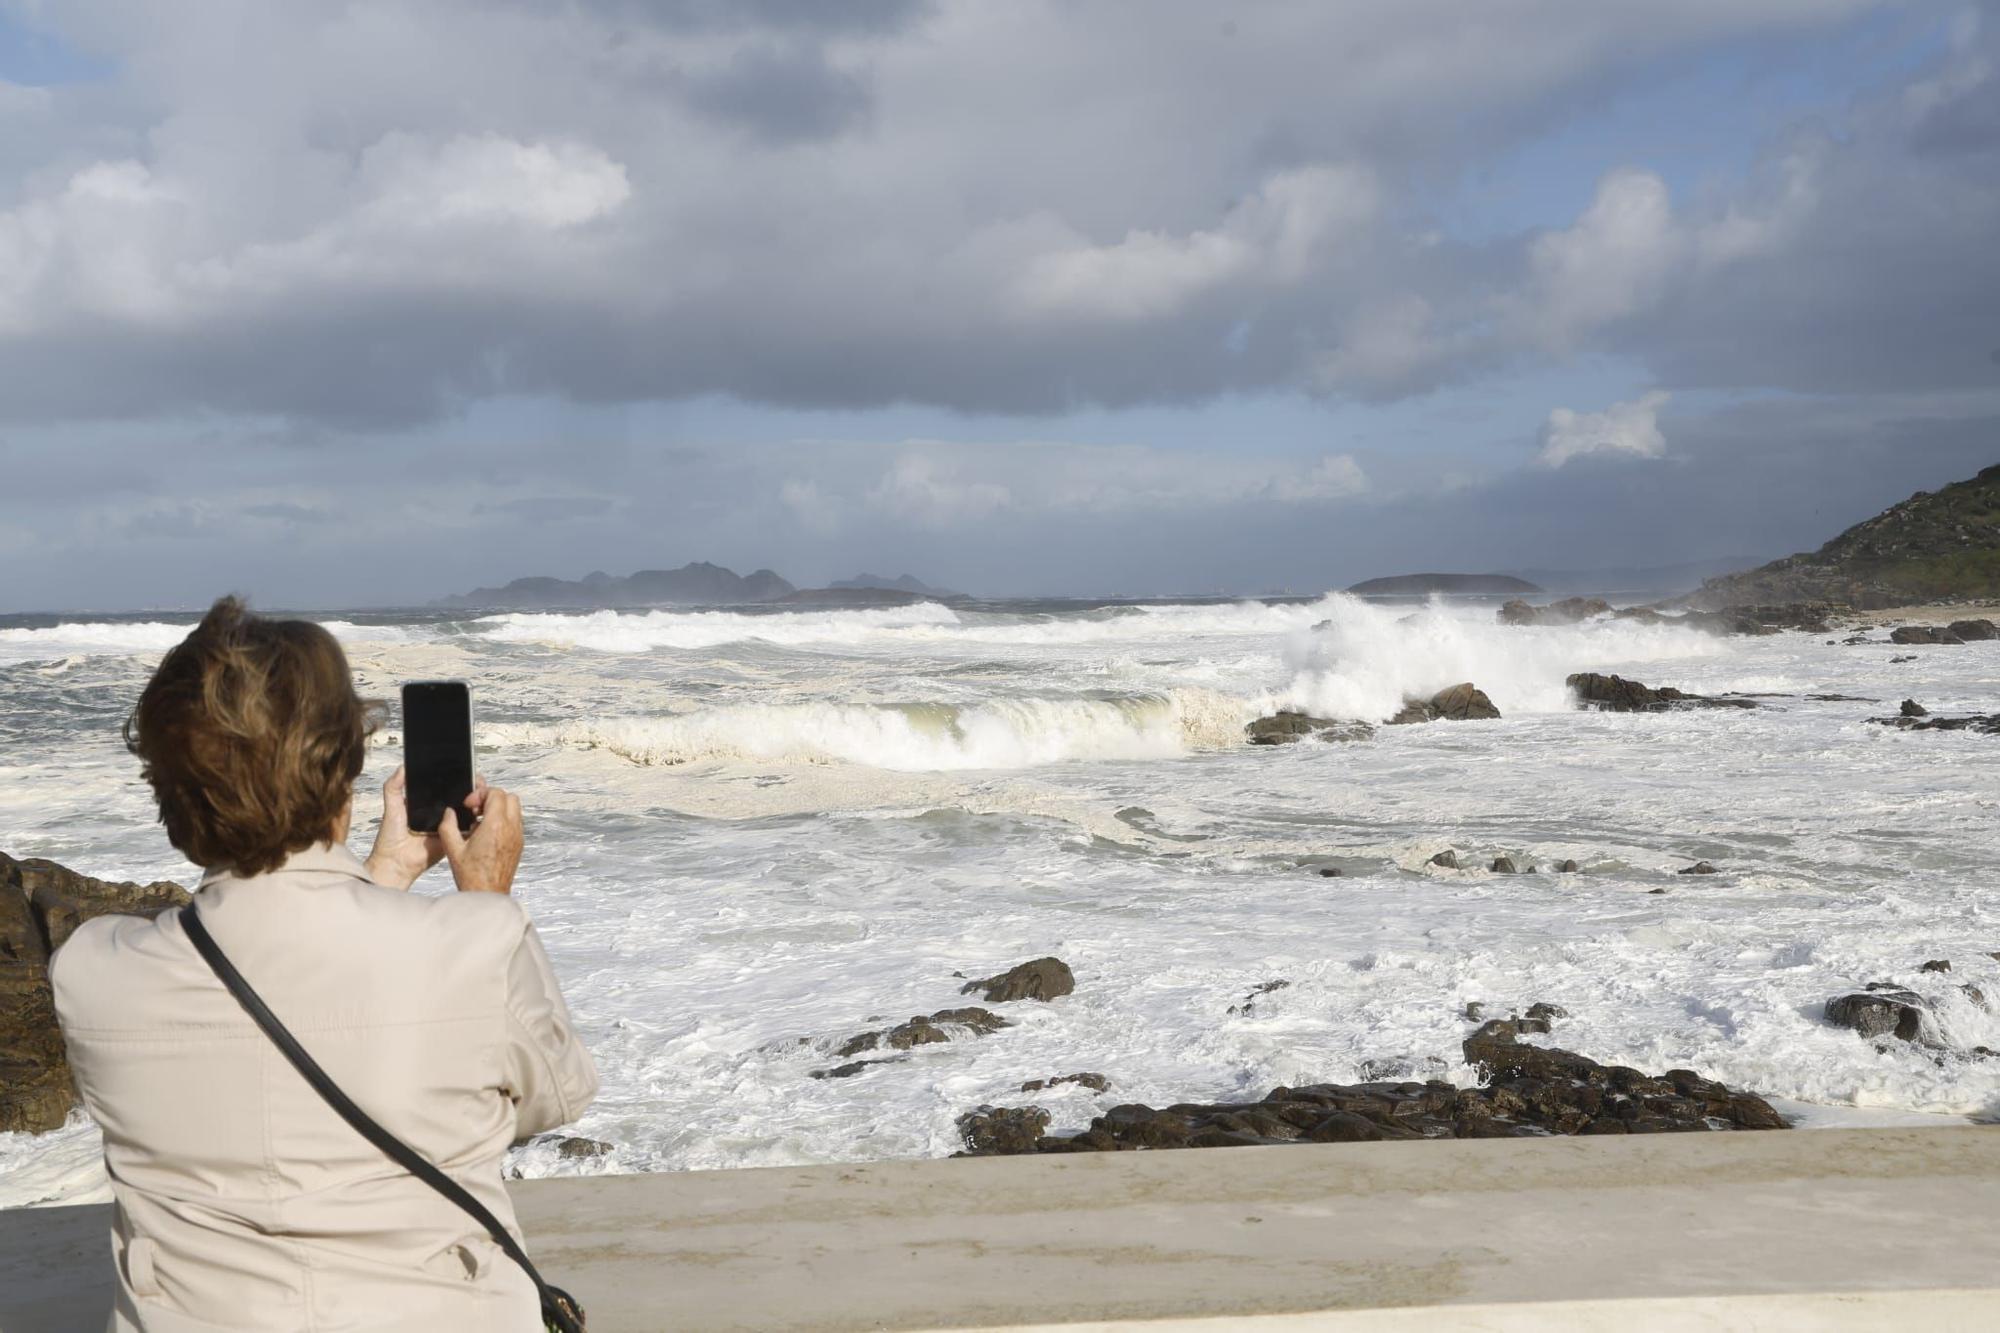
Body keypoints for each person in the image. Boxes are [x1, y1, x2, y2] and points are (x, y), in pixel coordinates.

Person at [50, 596, 598, 1332]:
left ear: (169, 801)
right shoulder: (472, 945)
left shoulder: (91, 972)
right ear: (345, 771)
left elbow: (277, 992)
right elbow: (552, 1096)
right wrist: (487, 898)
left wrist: (386, 873)